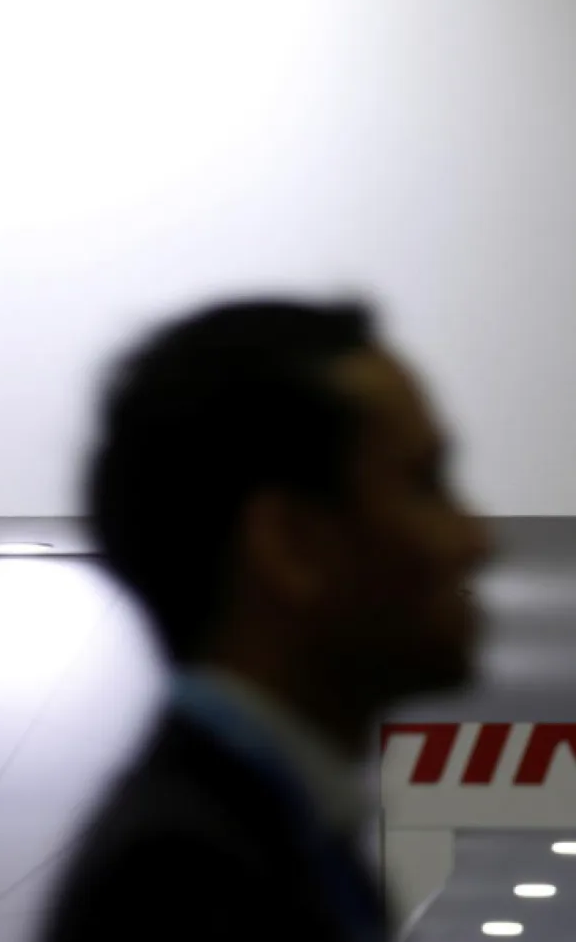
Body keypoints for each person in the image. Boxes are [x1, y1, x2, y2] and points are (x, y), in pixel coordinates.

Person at [39, 298, 493, 942]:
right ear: (290, 545)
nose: (476, 539)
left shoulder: (279, 845)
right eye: (424, 483)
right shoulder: (180, 886)